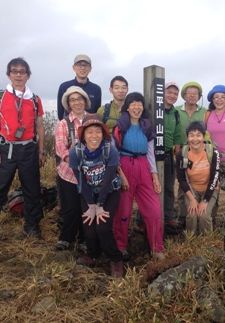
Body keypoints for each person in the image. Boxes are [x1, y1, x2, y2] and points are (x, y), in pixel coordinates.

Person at [0, 57, 45, 245]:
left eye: (22, 71)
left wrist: (41, 151)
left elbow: (39, 127)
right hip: (5, 150)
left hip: (29, 149)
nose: (18, 75)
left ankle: (31, 226)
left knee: (32, 190)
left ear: (28, 75)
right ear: (8, 74)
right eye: (14, 71)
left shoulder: (35, 100)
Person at [69, 114, 124, 277]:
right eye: (89, 132)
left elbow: (108, 179)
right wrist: (90, 205)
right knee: (89, 227)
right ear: (83, 135)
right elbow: (81, 181)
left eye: (98, 131)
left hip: (110, 192)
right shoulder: (76, 152)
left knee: (103, 227)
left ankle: (116, 259)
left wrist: (99, 205)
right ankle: (93, 255)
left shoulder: (109, 150)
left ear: (103, 133)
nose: (94, 136)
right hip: (88, 193)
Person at [112, 92, 165, 261]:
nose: (136, 107)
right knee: (123, 210)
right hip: (124, 166)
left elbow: (150, 154)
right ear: (127, 107)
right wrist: (121, 175)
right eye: (133, 103)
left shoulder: (146, 126)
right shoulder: (120, 126)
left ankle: (157, 248)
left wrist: (155, 176)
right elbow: (114, 153)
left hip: (143, 166)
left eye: (139, 103)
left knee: (154, 209)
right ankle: (120, 246)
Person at [54, 86, 90, 251]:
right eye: (73, 100)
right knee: (71, 208)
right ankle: (66, 238)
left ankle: (85, 239)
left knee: (87, 206)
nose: (77, 102)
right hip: (68, 173)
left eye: (79, 99)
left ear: (85, 101)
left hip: (91, 173)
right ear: (68, 104)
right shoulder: (63, 124)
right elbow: (62, 150)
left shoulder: (93, 120)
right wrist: (77, 164)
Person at [176, 121, 220, 235]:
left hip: (209, 189)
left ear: (204, 136)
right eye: (191, 135)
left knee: (204, 216)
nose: (195, 139)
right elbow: (181, 179)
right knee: (192, 215)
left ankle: (206, 244)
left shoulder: (212, 152)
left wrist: (205, 201)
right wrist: (192, 199)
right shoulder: (183, 154)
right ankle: (191, 242)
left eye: (198, 135)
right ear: (187, 137)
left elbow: (215, 177)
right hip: (192, 189)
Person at [175, 82, 207, 228]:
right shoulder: (176, 111)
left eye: (196, 93)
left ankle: (205, 214)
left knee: (197, 180)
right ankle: (182, 215)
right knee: (183, 186)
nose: (193, 95)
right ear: (184, 95)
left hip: (199, 151)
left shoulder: (204, 112)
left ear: (199, 96)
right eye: (190, 92)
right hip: (181, 152)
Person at [162, 82, 183, 232]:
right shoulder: (153, 110)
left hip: (168, 155)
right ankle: (142, 220)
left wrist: (177, 158)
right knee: (150, 189)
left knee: (169, 188)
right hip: (151, 154)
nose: (172, 96)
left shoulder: (175, 113)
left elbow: (177, 137)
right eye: (169, 92)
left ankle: (168, 216)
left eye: (175, 93)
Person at [57, 54, 101, 119]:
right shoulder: (64, 87)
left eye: (86, 65)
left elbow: (96, 113)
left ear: (90, 69)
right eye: (79, 65)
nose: (83, 68)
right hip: (69, 126)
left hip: (89, 127)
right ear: (73, 67)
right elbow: (60, 112)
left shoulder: (96, 89)